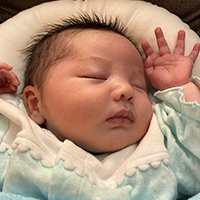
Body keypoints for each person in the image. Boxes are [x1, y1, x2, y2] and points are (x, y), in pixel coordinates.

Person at [1, 15, 200, 199]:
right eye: (95, 76)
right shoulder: (16, 131)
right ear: (35, 104)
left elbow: (194, 143)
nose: (125, 90)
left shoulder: (159, 137)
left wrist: (179, 85)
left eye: (139, 85)